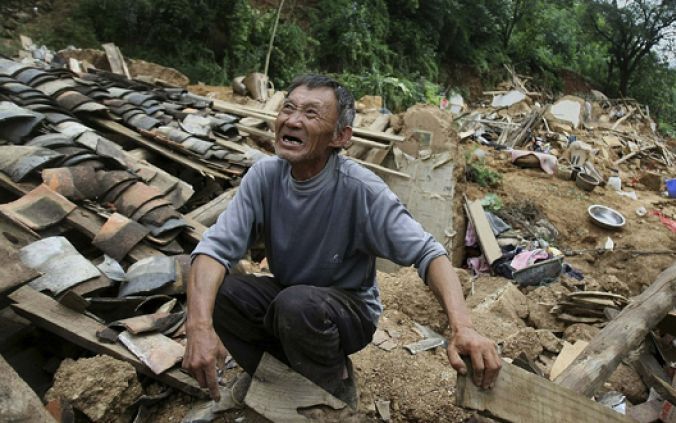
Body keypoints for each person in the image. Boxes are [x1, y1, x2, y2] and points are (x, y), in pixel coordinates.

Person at [183, 74, 501, 407]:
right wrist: (198, 326)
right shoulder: (264, 177)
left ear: (341, 137)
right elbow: (214, 250)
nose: (292, 120)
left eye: (310, 113)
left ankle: (333, 391)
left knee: (297, 305)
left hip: (347, 310)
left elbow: (429, 253)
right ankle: (274, 377)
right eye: (288, 108)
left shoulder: (360, 189)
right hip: (290, 297)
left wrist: (462, 327)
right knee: (223, 293)